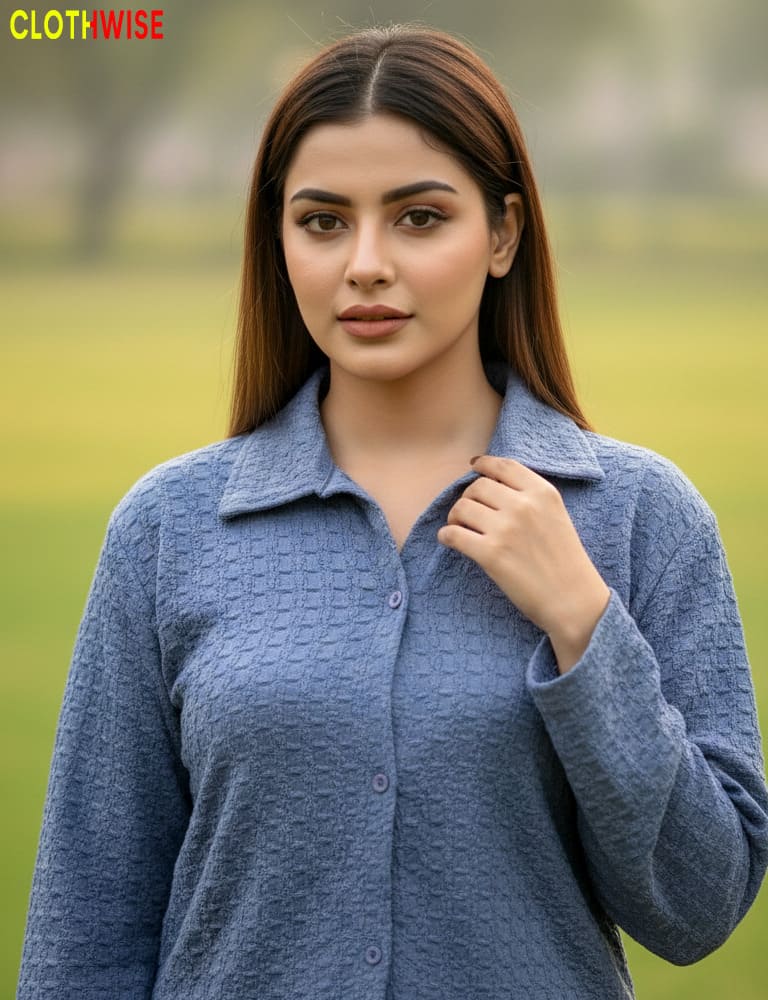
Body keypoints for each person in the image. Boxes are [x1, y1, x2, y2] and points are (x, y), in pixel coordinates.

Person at [17, 22, 768, 1000]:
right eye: (324, 221)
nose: (365, 263)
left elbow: (698, 907)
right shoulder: (167, 529)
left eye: (418, 218)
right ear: (277, 237)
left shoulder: (642, 517)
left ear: (503, 232)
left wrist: (585, 625)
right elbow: (87, 927)